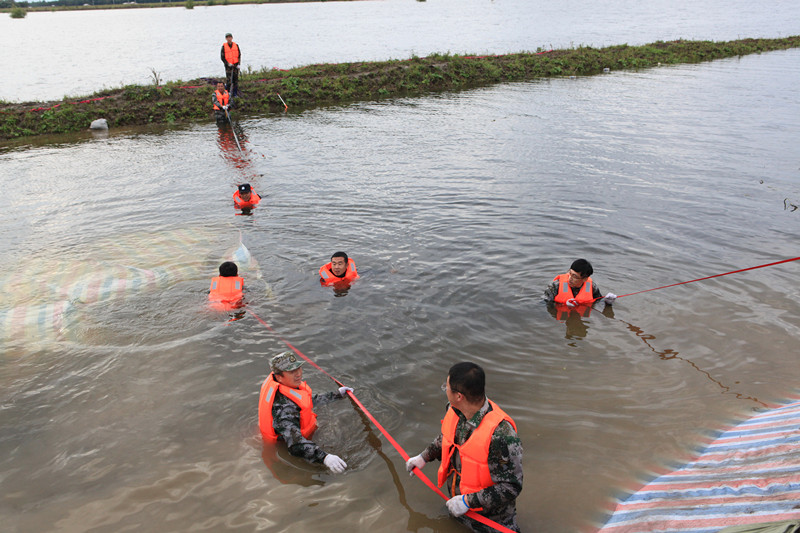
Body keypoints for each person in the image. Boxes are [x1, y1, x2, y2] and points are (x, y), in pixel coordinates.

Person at [406, 362, 523, 533]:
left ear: (459, 396)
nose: (445, 390)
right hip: (458, 507)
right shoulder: (454, 410)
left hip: (492, 521)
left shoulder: (501, 435)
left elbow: (511, 487)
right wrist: (424, 457)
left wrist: (468, 501)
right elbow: (447, 438)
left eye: (446, 387)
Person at [258, 351, 353, 473]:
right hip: (284, 441)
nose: (298, 374)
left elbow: (306, 401)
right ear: (279, 377)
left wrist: (337, 394)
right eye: (292, 371)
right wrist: (324, 457)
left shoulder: (289, 385)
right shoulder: (283, 409)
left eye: (298, 368)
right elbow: (295, 445)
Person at [544, 258, 616, 320]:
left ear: (585, 279)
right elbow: (544, 304)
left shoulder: (592, 287)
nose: (570, 278)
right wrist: (563, 306)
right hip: (561, 320)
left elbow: (597, 302)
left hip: (580, 317)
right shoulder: (556, 285)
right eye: (570, 273)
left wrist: (607, 303)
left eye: (574, 276)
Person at [220, 32, 241, 97]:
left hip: (235, 66)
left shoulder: (236, 45)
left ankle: (235, 93)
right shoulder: (224, 47)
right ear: (226, 39)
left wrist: (238, 64)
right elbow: (222, 57)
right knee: (229, 81)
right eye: (227, 37)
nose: (229, 39)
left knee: (235, 80)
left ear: (232, 38)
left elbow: (239, 55)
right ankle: (227, 93)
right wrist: (227, 64)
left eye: (230, 37)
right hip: (228, 67)